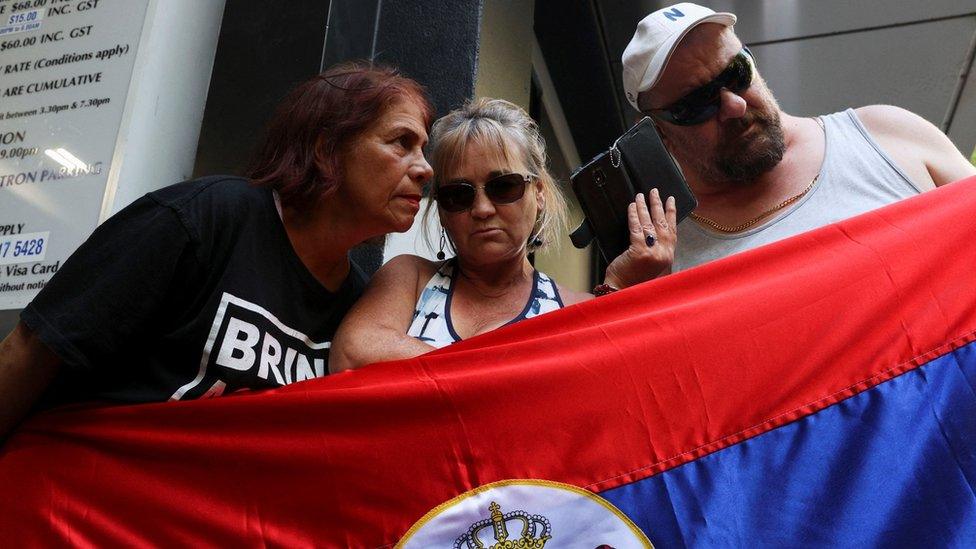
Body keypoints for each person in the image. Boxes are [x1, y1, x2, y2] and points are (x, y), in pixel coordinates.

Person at [0, 62, 435, 440]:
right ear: (326, 149)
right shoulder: (203, 218)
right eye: (401, 142)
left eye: (423, 149)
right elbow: (32, 349)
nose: (425, 169)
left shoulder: (359, 303)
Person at [621, 3, 976, 271]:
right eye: (697, 104)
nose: (734, 106)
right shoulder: (665, 255)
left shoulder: (885, 134)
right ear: (658, 132)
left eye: (737, 72)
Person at [329, 98, 676, 372]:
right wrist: (502, 372)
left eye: (503, 186)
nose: (481, 209)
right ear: (443, 212)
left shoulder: (573, 308)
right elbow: (352, 352)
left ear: (538, 193)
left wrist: (617, 290)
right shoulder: (411, 277)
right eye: (458, 195)